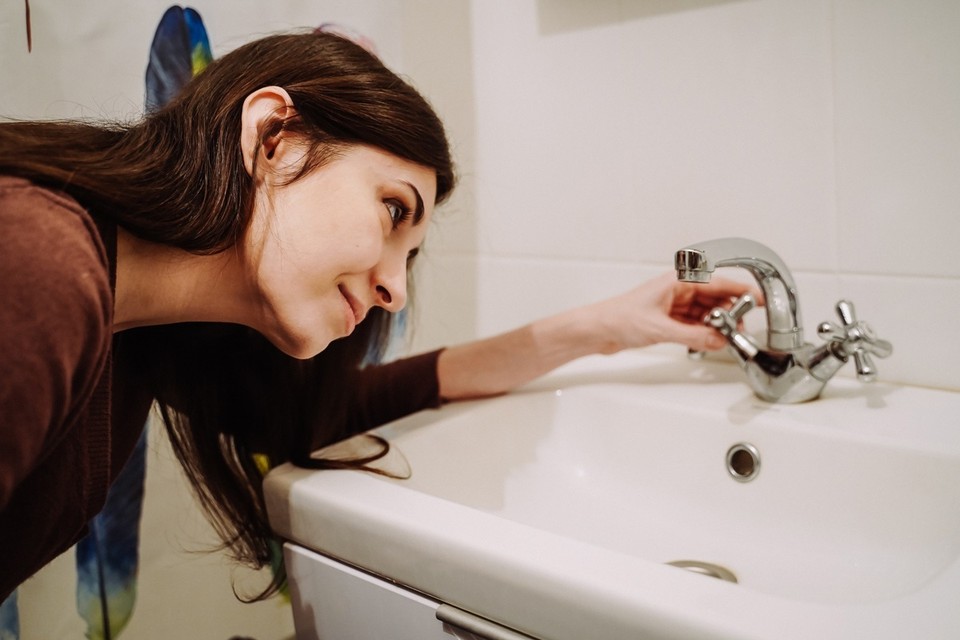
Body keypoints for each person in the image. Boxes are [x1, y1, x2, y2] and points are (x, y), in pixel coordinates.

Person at [0, 30, 752, 602]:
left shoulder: (149, 336)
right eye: (393, 210)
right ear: (274, 138)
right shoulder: (39, 262)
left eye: (411, 253)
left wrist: (603, 328)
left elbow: (338, 412)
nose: (393, 289)